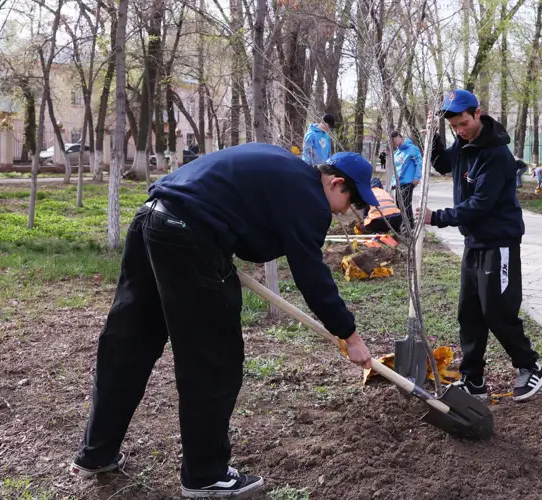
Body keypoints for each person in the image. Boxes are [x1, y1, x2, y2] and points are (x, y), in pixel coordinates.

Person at [68, 144, 375, 498]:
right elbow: (312, 276)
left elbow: (245, 226)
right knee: (213, 360)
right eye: (350, 205)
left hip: (152, 217)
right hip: (189, 234)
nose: (345, 214)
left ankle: (96, 453)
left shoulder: (283, 168)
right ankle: (205, 475)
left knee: (129, 343)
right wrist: (349, 335)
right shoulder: (309, 197)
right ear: (337, 183)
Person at [416, 89, 542, 403]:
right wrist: (432, 139)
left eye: (463, 123)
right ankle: (473, 380)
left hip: (498, 241)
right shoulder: (463, 143)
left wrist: (437, 217)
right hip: (474, 241)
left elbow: (481, 204)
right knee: (469, 312)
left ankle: (531, 367)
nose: (460, 130)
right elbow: (444, 164)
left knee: (497, 311)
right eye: (454, 127)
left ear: (478, 113)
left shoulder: (496, 155)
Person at [390, 130, 423, 227]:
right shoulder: (396, 153)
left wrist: (417, 177)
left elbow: (419, 163)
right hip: (398, 182)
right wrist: (393, 182)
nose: (394, 143)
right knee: (399, 205)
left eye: (395, 140)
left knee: (405, 205)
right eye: (392, 141)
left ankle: (409, 227)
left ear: (400, 137)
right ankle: (404, 226)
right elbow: (396, 169)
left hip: (408, 181)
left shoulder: (412, 148)